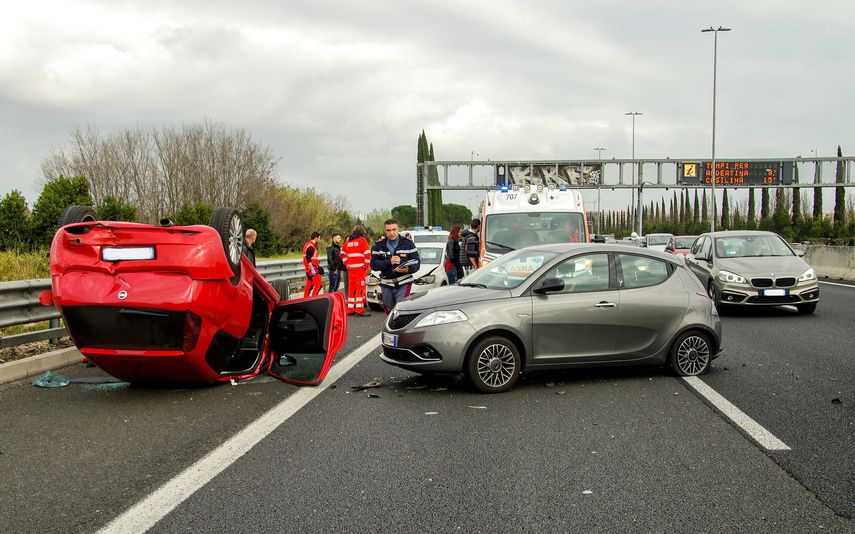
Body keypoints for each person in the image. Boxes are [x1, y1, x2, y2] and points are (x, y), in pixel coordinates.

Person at [371, 218, 420, 314]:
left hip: (404, 282)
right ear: (385, 231)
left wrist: (408, 269)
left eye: (394, 229)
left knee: (401, 308)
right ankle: (391, 328)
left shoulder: (408, 244)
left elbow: (417, 262)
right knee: (389, 311)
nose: (392, 233)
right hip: (386, 283)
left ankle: (402, 328)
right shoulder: (378, 246)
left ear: (398, 230)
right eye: (388, 230)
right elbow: (373, 265)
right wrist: (389, 261)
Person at [342, 225, 372, 316]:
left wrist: (347, 264)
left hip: (351, 269)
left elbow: (342, 253)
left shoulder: (348, 241)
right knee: (359, 289)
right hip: (360, 269)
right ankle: (359, 310)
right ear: (362, 232)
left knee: (351, 289)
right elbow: (367, 253)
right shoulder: (362, 240)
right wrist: (366, 266)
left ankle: (350, 310)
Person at [302, 231, 324, 298]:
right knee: (318, 285)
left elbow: (310, 257)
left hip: (309, 269)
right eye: (319, 238)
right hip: (312, 269)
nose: (319, 240)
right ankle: (314, 299)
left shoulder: (308, 244)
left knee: (309, 285)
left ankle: (305, 299)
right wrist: (312, 269)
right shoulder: (311, 246)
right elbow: (308, 258)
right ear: (315, 238)